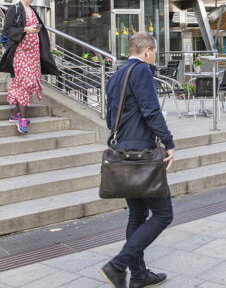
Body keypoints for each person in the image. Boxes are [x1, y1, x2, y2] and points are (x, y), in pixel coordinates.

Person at [99, 32, 175, 288]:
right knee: (164, 214)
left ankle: (139, 275)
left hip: (122, 151)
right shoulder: (142, 70)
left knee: (137, 213)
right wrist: (169, 142)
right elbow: (151, 110)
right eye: (154, 52)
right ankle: (118, 265)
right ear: (147, 51)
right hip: (142, 153)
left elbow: (111, 118)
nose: (154, 57)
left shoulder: (117, 74)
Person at [0, 0, 59, 134]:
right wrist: (25, 29)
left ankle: (14, 114)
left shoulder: (32, 10)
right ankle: (22, 120)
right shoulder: (14, 9)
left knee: (29, 84)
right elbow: (7, 30)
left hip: (33, 53)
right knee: (27, 82)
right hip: (20, 52)